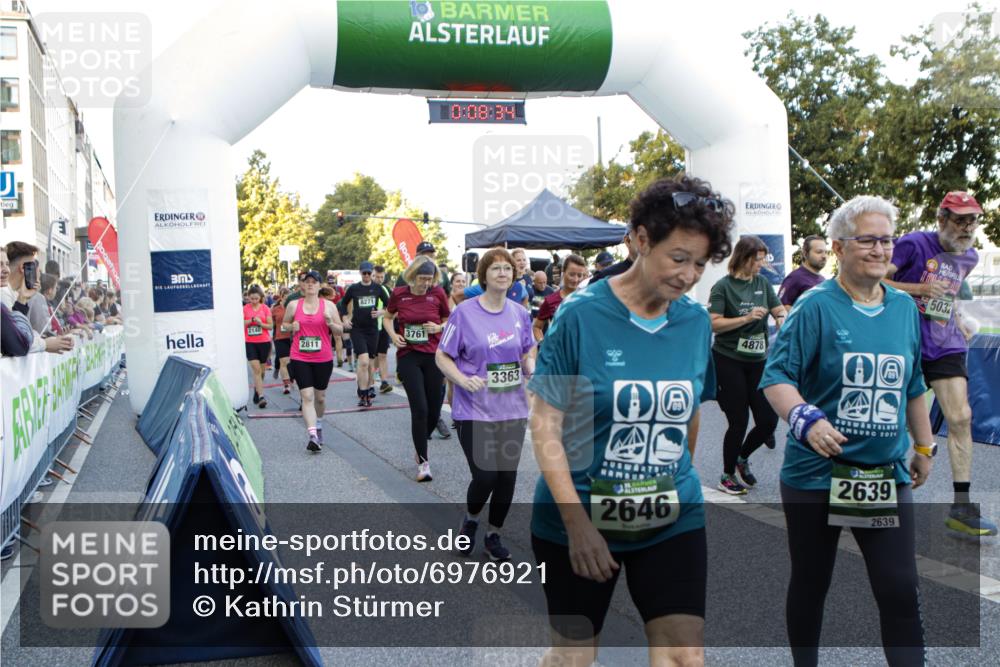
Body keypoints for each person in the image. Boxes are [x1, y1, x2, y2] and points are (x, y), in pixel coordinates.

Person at [529, 175, 733, 666]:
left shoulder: (695, 322)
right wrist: (577, 523)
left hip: (671, 515)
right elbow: (544, 424)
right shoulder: (579, 316)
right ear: (641, 240)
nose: (688, 276)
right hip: (577, 516)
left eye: (700, 265)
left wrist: (672, 476)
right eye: (678, 258)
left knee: (685, 654)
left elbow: (691, 417)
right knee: (573, 659)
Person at [761, 195, 933, 667]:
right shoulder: (814, 307)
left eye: (887, 239)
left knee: (899, 586)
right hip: (818, 476)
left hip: (882, 475)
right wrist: (806, 419)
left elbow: (914, 383)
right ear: (838, 247)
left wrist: (923, 445)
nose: (880, 250)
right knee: (813, 582)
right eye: (868, 240)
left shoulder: (902, 309)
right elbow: (776, 378)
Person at [883, 190, 996, 537]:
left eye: (972, 220)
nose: (966, 227)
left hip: (945, 344)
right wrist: (917, 289)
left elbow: (950, 294)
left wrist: (959, 318)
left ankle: (961, 506)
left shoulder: (970, 256)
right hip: (905, 342)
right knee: (892, 420)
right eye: (959, 220)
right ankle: (874, 494)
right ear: (941, 219)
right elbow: (876, 280)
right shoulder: (913, 244)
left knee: (961, 416)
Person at [436, 248, 536, 561]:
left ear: (514, 275)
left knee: (507, 476)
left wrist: (530, 366)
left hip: (512, 409)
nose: (503, 273)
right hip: (473, 409)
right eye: (496, 269)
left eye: (508, 268)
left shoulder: (519, 313)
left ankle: (494, 535)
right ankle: (470, 520)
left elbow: (527, 350)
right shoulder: (464, 312)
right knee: (486, 476)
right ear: (485, 275)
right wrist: (462, 380)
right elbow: (442, 355)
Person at [708, 235, 785, 494]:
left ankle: (742, 458)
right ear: (744, 258)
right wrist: (745, 318)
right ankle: (726, 475)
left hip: (758, 361)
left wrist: (782, 319)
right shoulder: (723, 287)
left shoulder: (762, 283)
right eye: (758, 260)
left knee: (768, 421)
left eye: (763, 260)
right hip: (729, 360)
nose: (761, 265)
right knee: (738, 420)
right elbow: (713, 323)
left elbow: (778, 310)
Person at [384, 256, 450, 481]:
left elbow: (449, 319)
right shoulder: (399, 294)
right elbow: (387, 317)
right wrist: (394, 335)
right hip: (409, 355)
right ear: (412, 276)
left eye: (429, 279)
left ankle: (419, 442)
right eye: (421, 278)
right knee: (419, 409)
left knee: (434, 409)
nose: (425, 283)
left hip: (433, 355)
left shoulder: (438, 293)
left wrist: (438, 326)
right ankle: (423, 462)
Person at [283, 270, 345, 452]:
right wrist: (290, 326)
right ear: (302, 285)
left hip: (323, 357)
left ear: (319, 285)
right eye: (307, 281)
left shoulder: (329, 307)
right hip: (300, 356)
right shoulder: (293, 305)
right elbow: (283, 325)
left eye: (314, 282)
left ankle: (318, 425)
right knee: (307, 396)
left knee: (319, 397)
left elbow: (340, 331)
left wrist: (330, 324)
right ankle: (312, 435)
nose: (310, 284)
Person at [342, 261, 388, 407]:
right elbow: (343, 303)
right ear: (360, 273)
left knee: (369, 362)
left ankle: (368, 389)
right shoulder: (354, 288)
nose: (367, 276)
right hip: (358, 329)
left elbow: (391, 306)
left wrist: (381, 312)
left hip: (372, 330)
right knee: (363, 361)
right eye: (364, 273)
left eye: (369, 273)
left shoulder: (377, 288)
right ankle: (362, 393)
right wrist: (344, 319)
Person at [532, 254, 588, 343]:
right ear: (563, 272)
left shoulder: (587, 299)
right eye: (572, 274)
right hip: (557, 354)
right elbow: (537, 327)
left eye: (579, 275)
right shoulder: (550, 300)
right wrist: (543, 344)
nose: (575, 279)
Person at [3, 241, 49, 333]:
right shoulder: (3, 295)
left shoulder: (14, 293)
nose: (37, 271)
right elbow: (14, 335)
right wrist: (45, 343)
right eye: (33, 265)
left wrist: (24, 297)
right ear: (23, 268)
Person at [778, 234, 827, 311]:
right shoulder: (795, 278)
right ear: (805, 253)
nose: (824, 256)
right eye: (819, 252)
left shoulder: (823, 280)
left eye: (825, 252)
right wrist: (807, 317)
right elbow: (781, 307)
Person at [243, 285, 273, 409]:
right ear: (248, 298)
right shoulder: (244, 309)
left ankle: (257, 388)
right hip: (250, 342)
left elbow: (270, 326)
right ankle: (261, 396)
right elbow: (240, 323)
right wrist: (250, 321)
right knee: (256, 369)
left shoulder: (265, 308)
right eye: (251, 299)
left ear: (261, 297)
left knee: (261, 371)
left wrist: (261, 323)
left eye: (256, 298)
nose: (254, 301)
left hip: (264, 342)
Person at [372, 265, 394, 394]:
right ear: (371, 275)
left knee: (382, 354)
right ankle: (368, 382)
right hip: (369, 329)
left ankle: (384, 382)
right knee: (371, 356)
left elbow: (392, 307)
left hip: (383, 326)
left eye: (381, 277)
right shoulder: (364, 289)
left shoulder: (386, 289)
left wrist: (381, 312)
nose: (379, 279)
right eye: (376, 276)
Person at [270, 287, 293, 394]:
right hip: (280, 337)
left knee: (292, 362)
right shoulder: (275, 309)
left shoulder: (294, 307)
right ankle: (286, 384)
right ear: (282, 297)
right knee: (284, 361)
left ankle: (290, 377)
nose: (289, 300)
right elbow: (272, 324)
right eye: (287, 297)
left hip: (293, 338)